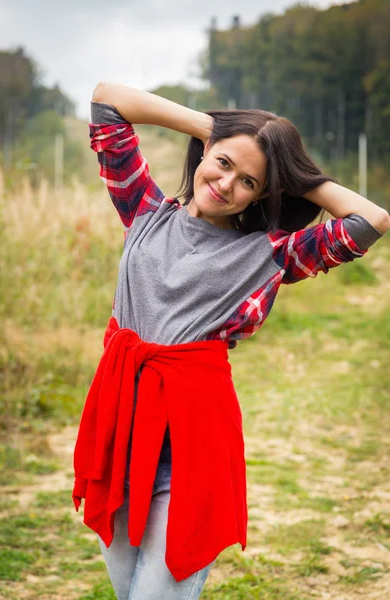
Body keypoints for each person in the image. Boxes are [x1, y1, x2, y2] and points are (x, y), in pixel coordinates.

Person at [72, 82, 390, 600]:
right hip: (123, 425)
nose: (226, 184)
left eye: (249, 182)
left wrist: (290, 173)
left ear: (265, 195)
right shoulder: (145, 212)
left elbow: (370, 221)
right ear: (203, 154)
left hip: (191, 444)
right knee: (126, 584)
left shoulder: (271, 255)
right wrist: (210, 128)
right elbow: (109, 101)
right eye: (221, 164)